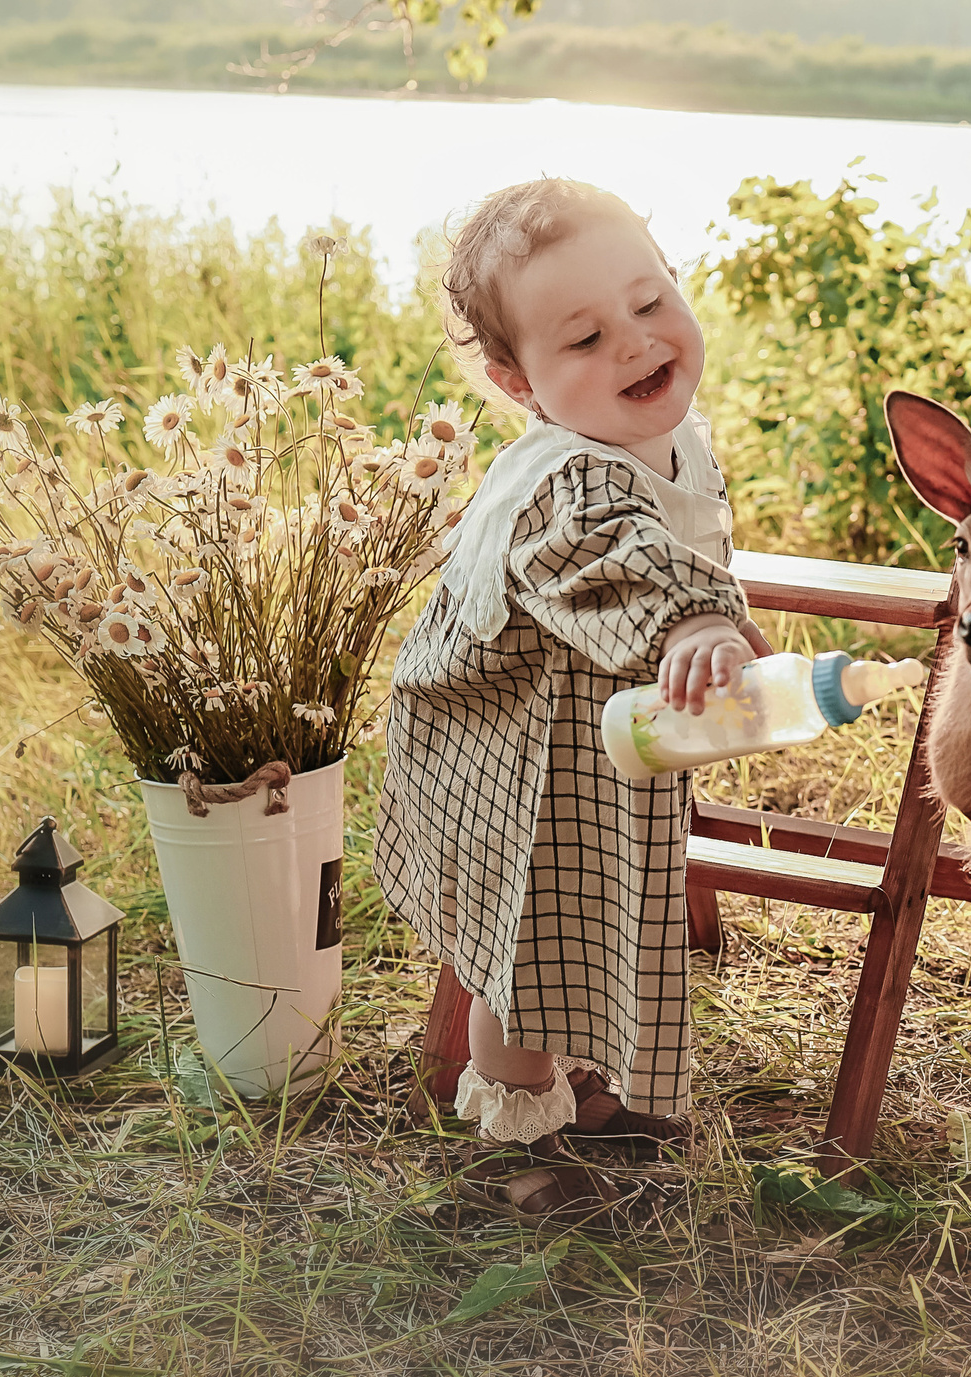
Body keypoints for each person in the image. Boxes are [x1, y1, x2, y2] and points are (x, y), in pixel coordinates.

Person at [374, 178, 766, 1193]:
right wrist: (701, 619)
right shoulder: (571, 484)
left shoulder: (673, 439)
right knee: (530, 931)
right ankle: (518, 1138)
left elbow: (675, 532)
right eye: (583, 340)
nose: (635, 344)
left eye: (648, 304)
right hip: (501, 747)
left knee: (598, 905)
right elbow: (615, 560)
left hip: (589, 727)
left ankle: (585, 1080)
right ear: (520, 383)